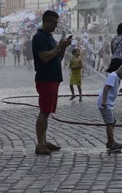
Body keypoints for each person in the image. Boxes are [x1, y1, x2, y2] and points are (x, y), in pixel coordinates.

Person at [32, 10, 71, 155]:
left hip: (53, 78)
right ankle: (40, 144)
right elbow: (45, 57)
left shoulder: (48, 36)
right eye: (54, 23)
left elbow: (56, 58)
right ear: (46, 22)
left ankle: (44, 140)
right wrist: (58, 47)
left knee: (47, 112)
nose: (56, 26)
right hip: (45, 78)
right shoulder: (39, 37)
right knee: (44, 111)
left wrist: (63, 48)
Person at [98, 62, 122, 152]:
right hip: (105, 104)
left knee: (113, 121)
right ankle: (112, 144)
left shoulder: (116, 77)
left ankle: (110, 141)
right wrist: (104, 101)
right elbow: (106, 88)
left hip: (108, 104)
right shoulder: (113, 77)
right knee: (109, 124)